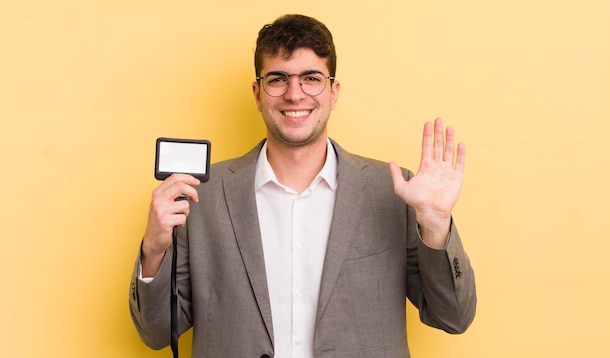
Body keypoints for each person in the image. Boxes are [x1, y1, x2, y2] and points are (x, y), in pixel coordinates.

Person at [129, 14, 476, 358]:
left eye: (311, 78)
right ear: (257, 93)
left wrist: (435, 226)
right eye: (278, 79)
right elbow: (157, 333)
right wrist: (154, 250)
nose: (294, 94)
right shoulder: (200, 195)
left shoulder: (391, 190)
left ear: (333, 91)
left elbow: (453, 316)